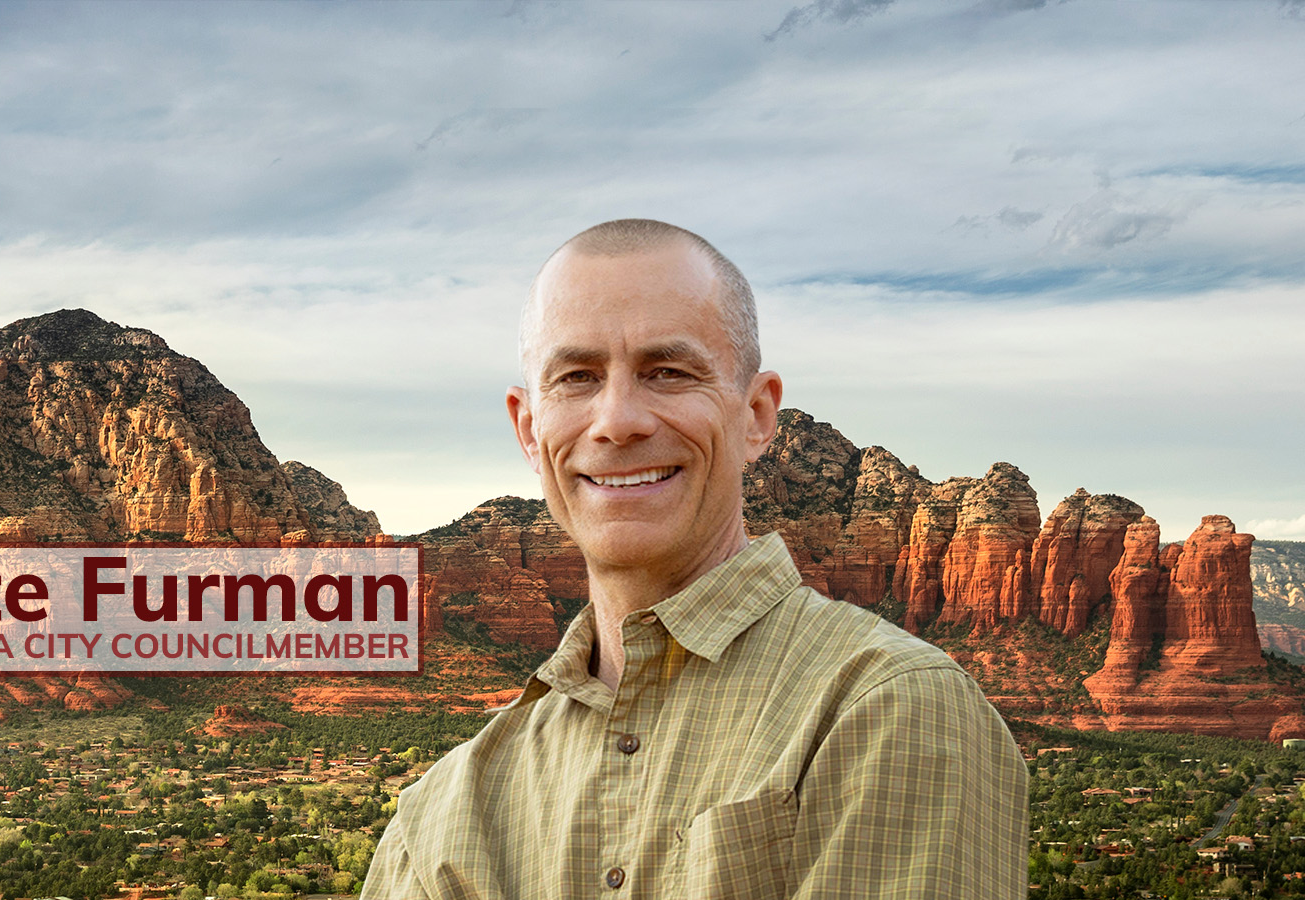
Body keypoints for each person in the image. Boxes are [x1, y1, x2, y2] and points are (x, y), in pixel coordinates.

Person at [363, 219, 1028, 899]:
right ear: (529, 430)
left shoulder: (884, 707)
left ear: (757, 416)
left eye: (669, 372)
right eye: (576, 377)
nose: (618, 419)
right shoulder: (443, 814)